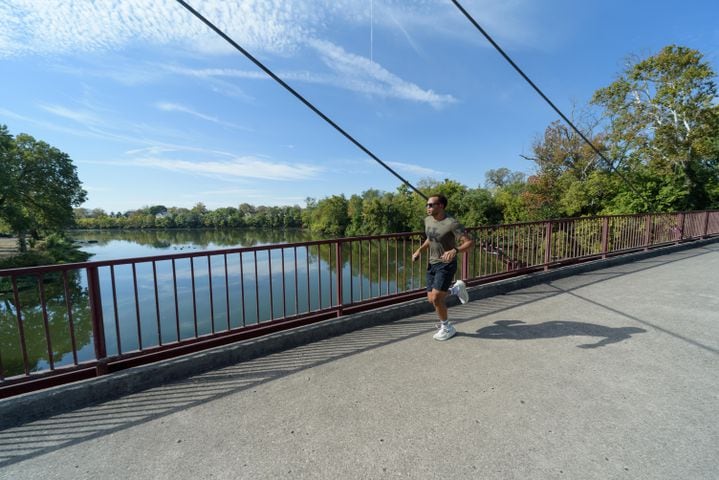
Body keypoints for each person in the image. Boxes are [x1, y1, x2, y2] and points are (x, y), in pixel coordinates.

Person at [412, 194, 473, 341]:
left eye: (431, 205)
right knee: (431, 299)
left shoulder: (452, 223)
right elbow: (430, 237)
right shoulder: (427, 220)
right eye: (427, 205)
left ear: (441, 206)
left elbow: (469, 242)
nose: (428, 207)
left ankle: (447, 327)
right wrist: (419, 250)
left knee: (437, 299)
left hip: (446, 264)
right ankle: (456, 289)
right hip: (432, 263)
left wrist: (455, 250)